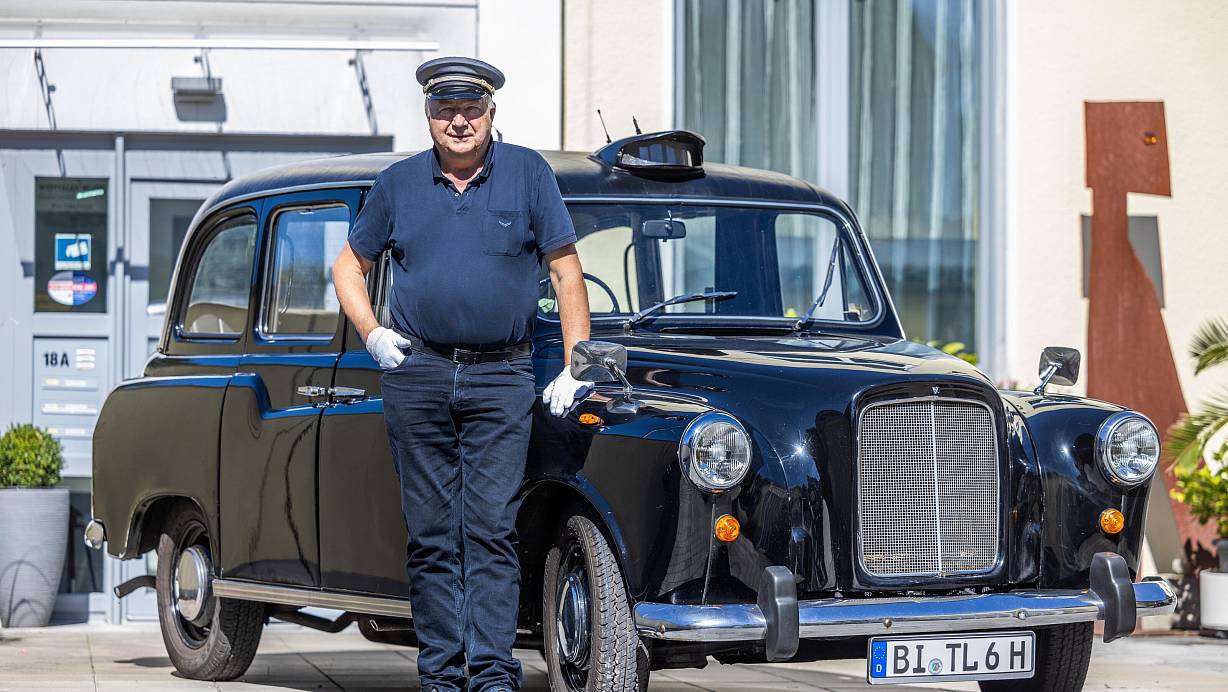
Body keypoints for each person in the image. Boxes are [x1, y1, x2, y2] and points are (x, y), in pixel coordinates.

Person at [331, 56, 591, 692]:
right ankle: (442, 676)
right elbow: (347, 267)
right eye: (446, 109)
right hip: (416, 374)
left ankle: (494, 676)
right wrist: (372, 334)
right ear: (428, 116)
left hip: (502, 377)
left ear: (491, 113)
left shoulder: (529, 174)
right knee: (430, 536)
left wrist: (576, 364)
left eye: (471, 109)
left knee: (491, 531)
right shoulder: (396, 185)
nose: (459, 121)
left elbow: (566, 271)